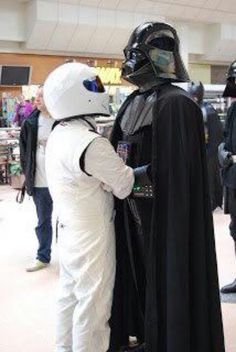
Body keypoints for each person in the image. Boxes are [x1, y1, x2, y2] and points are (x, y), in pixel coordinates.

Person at [108, 22, 225, 352]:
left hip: (163, 215)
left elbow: (173, 176)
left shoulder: (176, 103)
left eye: (137, 54)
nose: (131, 62)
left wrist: (132, 183)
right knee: (139, 273)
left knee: (164, 275)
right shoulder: (134, 101)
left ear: (157, 57)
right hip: (132, 209)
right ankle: (146, 333)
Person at [43, 62, 135, 352]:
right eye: (94, 86)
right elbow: (124, 185)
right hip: (92, 232)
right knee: (93, 305)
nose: (100, 91)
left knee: (69, 296)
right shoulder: (90, 143)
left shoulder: (59, 135)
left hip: (68, 227)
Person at [19, 86, 54, 272]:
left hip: (62, 182)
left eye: (42, 95)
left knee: (69, 221)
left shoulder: (61, 120)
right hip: (40, 181)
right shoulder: (31, 122)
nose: (37, 99)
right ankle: (43, 256)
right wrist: (27, 174)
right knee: (43, 221)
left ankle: (72, 259)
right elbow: (24, 152)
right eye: (37, 96)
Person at [188, 81, 223, 210]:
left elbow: (213, 134)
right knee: (209, 179)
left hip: (207, 152)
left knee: (209, 180)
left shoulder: (203, 110)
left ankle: (210, 204)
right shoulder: (204, 108)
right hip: (206, 152)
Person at [218, 59, 236, 294]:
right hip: (232, 180)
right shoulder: (233, 110)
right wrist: (222, 152)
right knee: (235, 229)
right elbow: (225, 137)